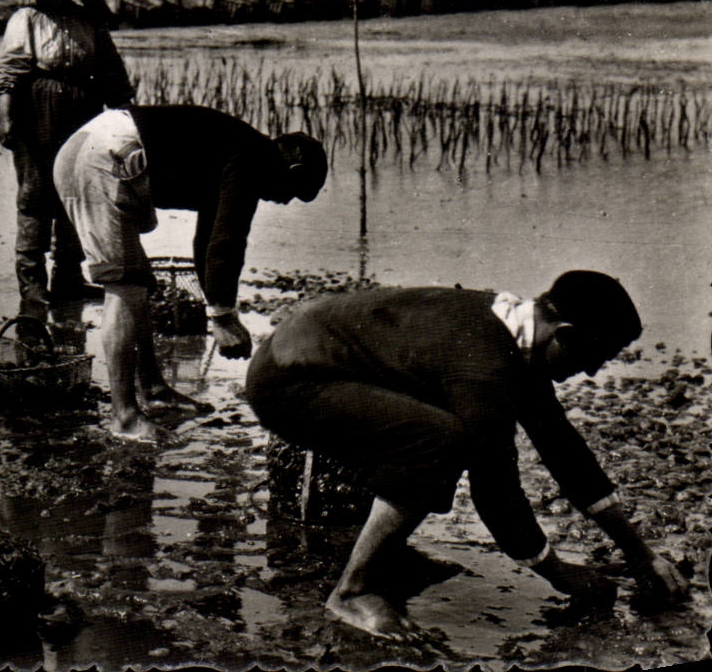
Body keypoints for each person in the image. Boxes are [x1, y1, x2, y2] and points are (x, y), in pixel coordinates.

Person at [244, 271, 687, 640]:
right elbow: (495, 491)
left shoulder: (516, 331)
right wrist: (557, 573)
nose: (590, 372)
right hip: (288, 380)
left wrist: (638, 552)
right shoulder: (486, 362)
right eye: (595, 357)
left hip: (319, 358)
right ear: (565, 335)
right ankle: (352, 591)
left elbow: (564, 450)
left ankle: (386, 557)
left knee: (442, 431)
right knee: (441, 438)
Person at [54, 105, 328, 442]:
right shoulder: (254, 157)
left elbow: (209, 241)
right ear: (292, 168)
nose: (284, 201)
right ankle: (124, 417)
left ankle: (154, 390)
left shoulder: (238, 151)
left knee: (137, 282)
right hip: (104, 158)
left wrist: (220, 309)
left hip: (96, 148)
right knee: (123, 286)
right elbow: (229, 240)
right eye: (293, 191)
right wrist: (224, 318)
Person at [0, 0, 136, 321]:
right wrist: (6, 119)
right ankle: (33, 291)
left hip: (82, 114)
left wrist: (126, 118)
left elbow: (113, 76)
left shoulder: (88, 23)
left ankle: (69, 280)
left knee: (77, 195)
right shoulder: (26, 19)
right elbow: (8, 73)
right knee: (35, 198)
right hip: (36, 112)